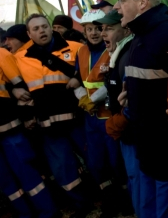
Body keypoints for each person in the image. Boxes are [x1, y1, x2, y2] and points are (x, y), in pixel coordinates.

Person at [15, 14, 93, 217]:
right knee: (63, 169)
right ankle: (81, 204)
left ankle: (107, 196)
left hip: (77, 118)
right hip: (48, 125)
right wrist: (16, 92)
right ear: (29, 34)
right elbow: (16, 86)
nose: (41, 31)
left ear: (51, 28)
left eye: (44, 26)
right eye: (36, 29)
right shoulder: (20, 59)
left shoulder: (75, 47)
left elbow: (93, 71)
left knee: (94, 159)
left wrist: (78, 77)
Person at [114, 0, 168, 218]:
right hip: (146, 144)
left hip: (164, 149)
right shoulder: (139, 36)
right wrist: (130, 96)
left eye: (121, 0)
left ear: (142, 3)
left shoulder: (167, 34)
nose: (117, 7)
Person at [67, 9, 127, 217]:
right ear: (83, 31)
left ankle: (125, 200)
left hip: (108, 116)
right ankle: (109, 200)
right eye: (89, 29)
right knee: (95, 163)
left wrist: (90, 99)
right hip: (90, 118)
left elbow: (111, 82)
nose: (94, 33)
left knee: (116, 162)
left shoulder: (112, 50)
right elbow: (77, 79)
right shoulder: (81, 52)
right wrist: (81, 96)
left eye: (98, 28)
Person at [0, 47, 57, 218]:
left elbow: (21, 85)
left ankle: (48, 212)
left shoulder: (2, 53)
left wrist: (26, 113)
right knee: (5, 180)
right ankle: (25, 214)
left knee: (27, 173)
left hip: (9, 129)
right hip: (9, 128)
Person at [95, 10, 136, 218]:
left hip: (134, 136)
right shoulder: (117, 54)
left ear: (126, 29)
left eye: (109, 29)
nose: (103, 34)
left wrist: (122, 118)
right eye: (102, 29)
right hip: (126, 135)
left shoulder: (128, 56)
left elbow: (137, 98)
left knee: (137, 180)